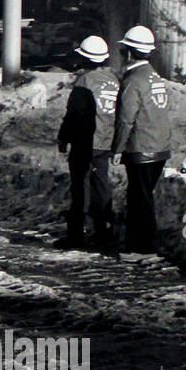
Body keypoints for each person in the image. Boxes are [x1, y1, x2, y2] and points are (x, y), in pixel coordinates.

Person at [110, 25, 172, 255]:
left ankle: (142, 248)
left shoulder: (133, 80)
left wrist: (117, 148)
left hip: (140, 149)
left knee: (139, 200)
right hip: (159, 148)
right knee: (144, 197)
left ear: (128, 52)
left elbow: (126, 119)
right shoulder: (155, 77)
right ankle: (144, 246)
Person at [56, 35, 119, 247]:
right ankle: (104, 231)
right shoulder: (114, 80)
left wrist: (64, 137)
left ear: (84, 59)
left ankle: (77, 235)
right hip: (105, 141)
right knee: (101, 185)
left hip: (85, 141)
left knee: (80, 187)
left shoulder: (84, 81)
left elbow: (74, 114)